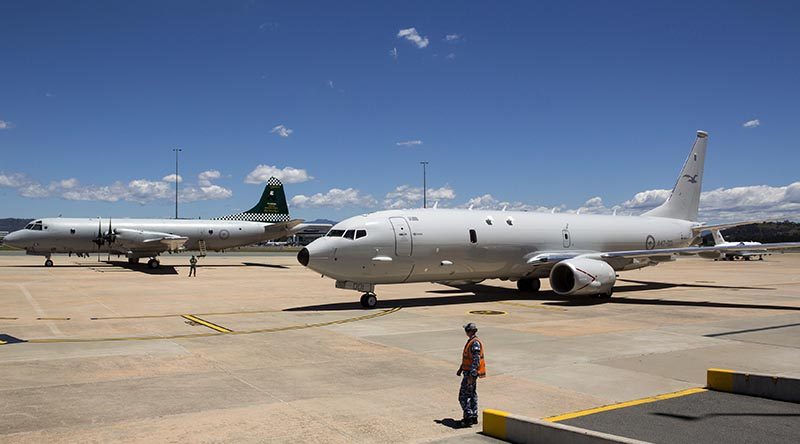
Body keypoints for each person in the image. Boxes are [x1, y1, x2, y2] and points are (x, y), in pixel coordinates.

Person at [457, 322, 486, 427]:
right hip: (468, 372)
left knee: (463, 396)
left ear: (471, 331)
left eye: (467, 330)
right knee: (472, 395)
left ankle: (468, 418)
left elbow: (476, 360)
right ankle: (474, 416)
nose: (466, 332)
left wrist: (472, 376)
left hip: (470, 374)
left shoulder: (474, 343)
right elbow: (467, 358)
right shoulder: (471, 342)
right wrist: (460, 369)